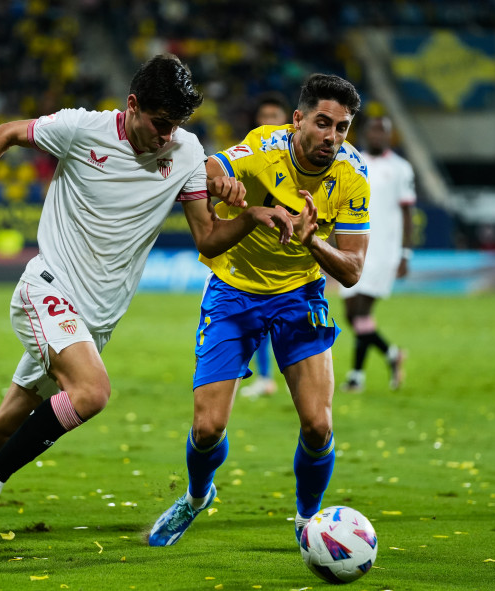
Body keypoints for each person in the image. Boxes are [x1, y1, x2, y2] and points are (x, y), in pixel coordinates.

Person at [0, 54, 294, 558]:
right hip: (48, 288)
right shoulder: (82, 129)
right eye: (160, 123)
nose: (167, 136)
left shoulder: (186, 151)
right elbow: (7, 133)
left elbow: (208, 240)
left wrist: (252, 215)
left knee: (5, 427)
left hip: (95, 321)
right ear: (132, 106)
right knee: (92, 391)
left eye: (176, 126)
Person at [148, 73, 371, 547]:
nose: (331, 137)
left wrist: (314, 243)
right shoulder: (262, 147)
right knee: (207, 429)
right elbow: (203, 169)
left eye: (343, 128)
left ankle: (308, 522)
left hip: (300, 294)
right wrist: (221, 185)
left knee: (318, 424)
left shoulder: (353, 175)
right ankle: (195, 495)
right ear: (298, 120)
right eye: (323, 123)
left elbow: (351, 269)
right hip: (234, 291)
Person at [339, 116, 415, 393]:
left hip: (384, 251)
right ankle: (392, 354)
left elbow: (408, 213)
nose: (376, 135)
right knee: (351, 314)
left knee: (361, 311)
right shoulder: (352, 161)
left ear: (389, 136)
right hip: (354, 248)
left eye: (382, 131)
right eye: (372, 130)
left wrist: (405, 253)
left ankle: (356, 376)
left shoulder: (400, 169)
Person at [239, 92, 291, 399]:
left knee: (286, 318)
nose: (269, 122)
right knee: (256, 316)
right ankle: (266, 376)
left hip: (291, 251)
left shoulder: (300, 161)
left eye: (275, 116)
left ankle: (280, 374)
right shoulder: (247, 155)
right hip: (257, 247)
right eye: (264, 116)